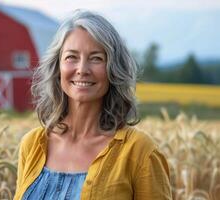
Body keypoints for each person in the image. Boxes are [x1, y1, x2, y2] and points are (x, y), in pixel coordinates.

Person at [13, 10, 172, 200]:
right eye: (72, 57)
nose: (82, 70)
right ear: (58, 68)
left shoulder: (139, 152)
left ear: (113, 69)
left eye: (96, 58)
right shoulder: (32, 145)